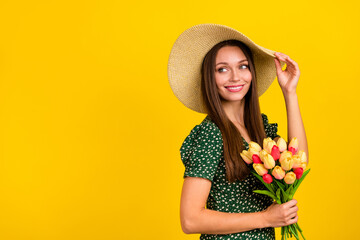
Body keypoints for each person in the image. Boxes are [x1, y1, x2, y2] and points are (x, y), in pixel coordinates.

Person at [167, 24, 309, 240]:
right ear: (209, 78)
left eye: (242, 66)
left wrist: (290, 93)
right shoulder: (211, 135)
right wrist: (267, 218)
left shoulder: (258, 128)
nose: (235, 77)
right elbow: (190, 219)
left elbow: (299, 160)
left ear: (252, 72)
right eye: (222, 69)